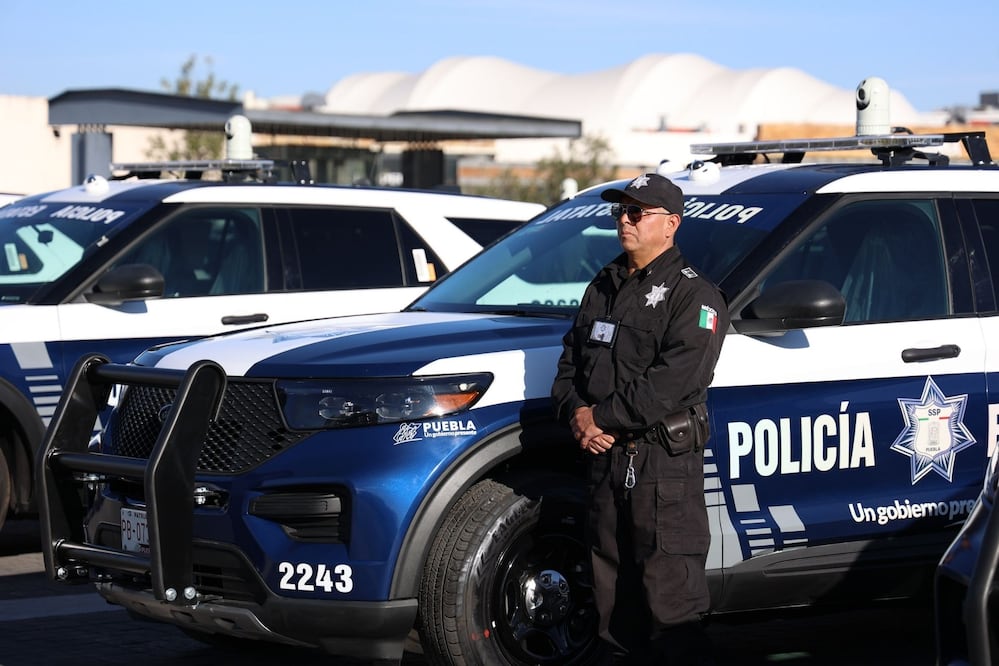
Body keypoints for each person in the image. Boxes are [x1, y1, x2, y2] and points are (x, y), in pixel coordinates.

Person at [551, 173, 729, 665]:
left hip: (661, 468)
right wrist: (578, 416)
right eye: (620, 212)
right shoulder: (604, 285)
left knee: (671, 602)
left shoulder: (695, 297)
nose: (624, 221)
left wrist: (601, 418)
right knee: (611, 598)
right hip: (606, 463)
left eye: (636, 213)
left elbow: (671, 383)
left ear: (670, 224)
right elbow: (570, 364)